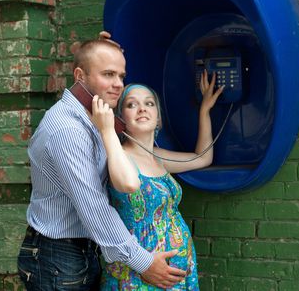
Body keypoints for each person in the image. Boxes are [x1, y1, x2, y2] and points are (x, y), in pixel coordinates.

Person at [17, 33, 187, 291]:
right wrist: (144, 263)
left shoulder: (94, 116)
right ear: (79, 76)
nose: (118, 84)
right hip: (57, 257)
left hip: (83, 252)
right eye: (108, 74)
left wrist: (100, 50)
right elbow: (95, 208)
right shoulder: (68, 130)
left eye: (121, 75)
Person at [89, 71, 224, 290]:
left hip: (178, 272)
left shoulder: (158, 157)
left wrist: (205, 110)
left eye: (149, 103)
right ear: (120, 118)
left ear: (158, 117)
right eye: (132, 105)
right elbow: (126, 184)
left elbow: (203, 157)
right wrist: (108, 131)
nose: (142, 108)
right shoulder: (118, 154)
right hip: (140, 271)